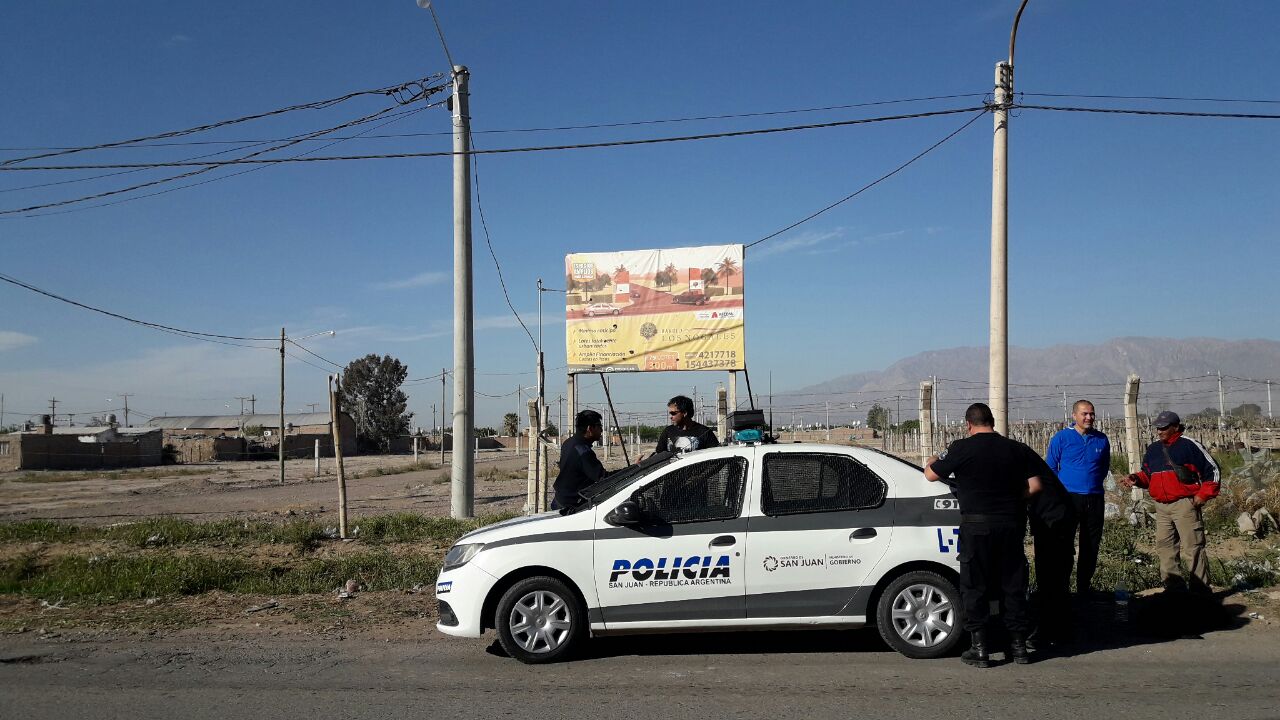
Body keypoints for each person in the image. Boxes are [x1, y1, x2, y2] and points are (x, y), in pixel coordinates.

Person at [925, 403, 1042, 667]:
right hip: (1010, 525)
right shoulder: (1016, 448)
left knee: (974, 586)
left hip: (976, 527)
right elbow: (1035, 486)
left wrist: (933, 459)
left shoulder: (961, 448)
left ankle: (980, 648)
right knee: (1013, 585)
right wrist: (1012, 498)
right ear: (992, 422)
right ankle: (1019, 647)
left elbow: (931, 474)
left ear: (968, 424)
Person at [1121, 410, 1219, 594]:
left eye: (1164, 428)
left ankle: (1200, 593)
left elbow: (1212, 470)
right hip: (1161, 507)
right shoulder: (1153, 449)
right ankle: (1174, 591)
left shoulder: (1189, 445)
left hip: (1184, 504)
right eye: (1158, 428)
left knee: (1192, 548)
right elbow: (1148, 475)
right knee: (1165, 548)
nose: (1159, 431)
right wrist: (1136, 478)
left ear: (1175, 427)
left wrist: (1202, 495)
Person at [1045, 400, 1111, 597]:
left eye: (1091, 414)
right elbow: (1051, 468)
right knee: (1064, 544)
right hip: (1069, 499)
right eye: (1084, 414)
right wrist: (1059, 493)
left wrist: (1092, 484)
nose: (1089, 417)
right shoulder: (1062, 438)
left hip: (1094, 498)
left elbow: (1104, 467)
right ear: (1074, 416)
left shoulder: (1101, 439)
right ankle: (1062, 588)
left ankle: (1084, 587)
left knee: (1091, 544)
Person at [1023, 447, 1078, 649]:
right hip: (1054, 517)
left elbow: (1034, 487)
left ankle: (1054, 631)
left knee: (1051, 576)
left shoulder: (1013, 456)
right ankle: (1058, 629)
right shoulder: (1017, 452)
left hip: (1055, 520)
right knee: (1052, 578)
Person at [552, 410, 606, 510]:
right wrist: (633, 469)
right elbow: (604, 478)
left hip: (559, 500)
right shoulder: (583, 452)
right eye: (599, 426)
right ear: (590, 429)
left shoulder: (569, 442)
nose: (601, 430)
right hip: (570, 507)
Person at [655, 395, 719, 454]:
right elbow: (660, 455)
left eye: (673, 413)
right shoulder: (668, 431)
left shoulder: (705, 432)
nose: (670, 417)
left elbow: (714, 456)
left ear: (685, 413)